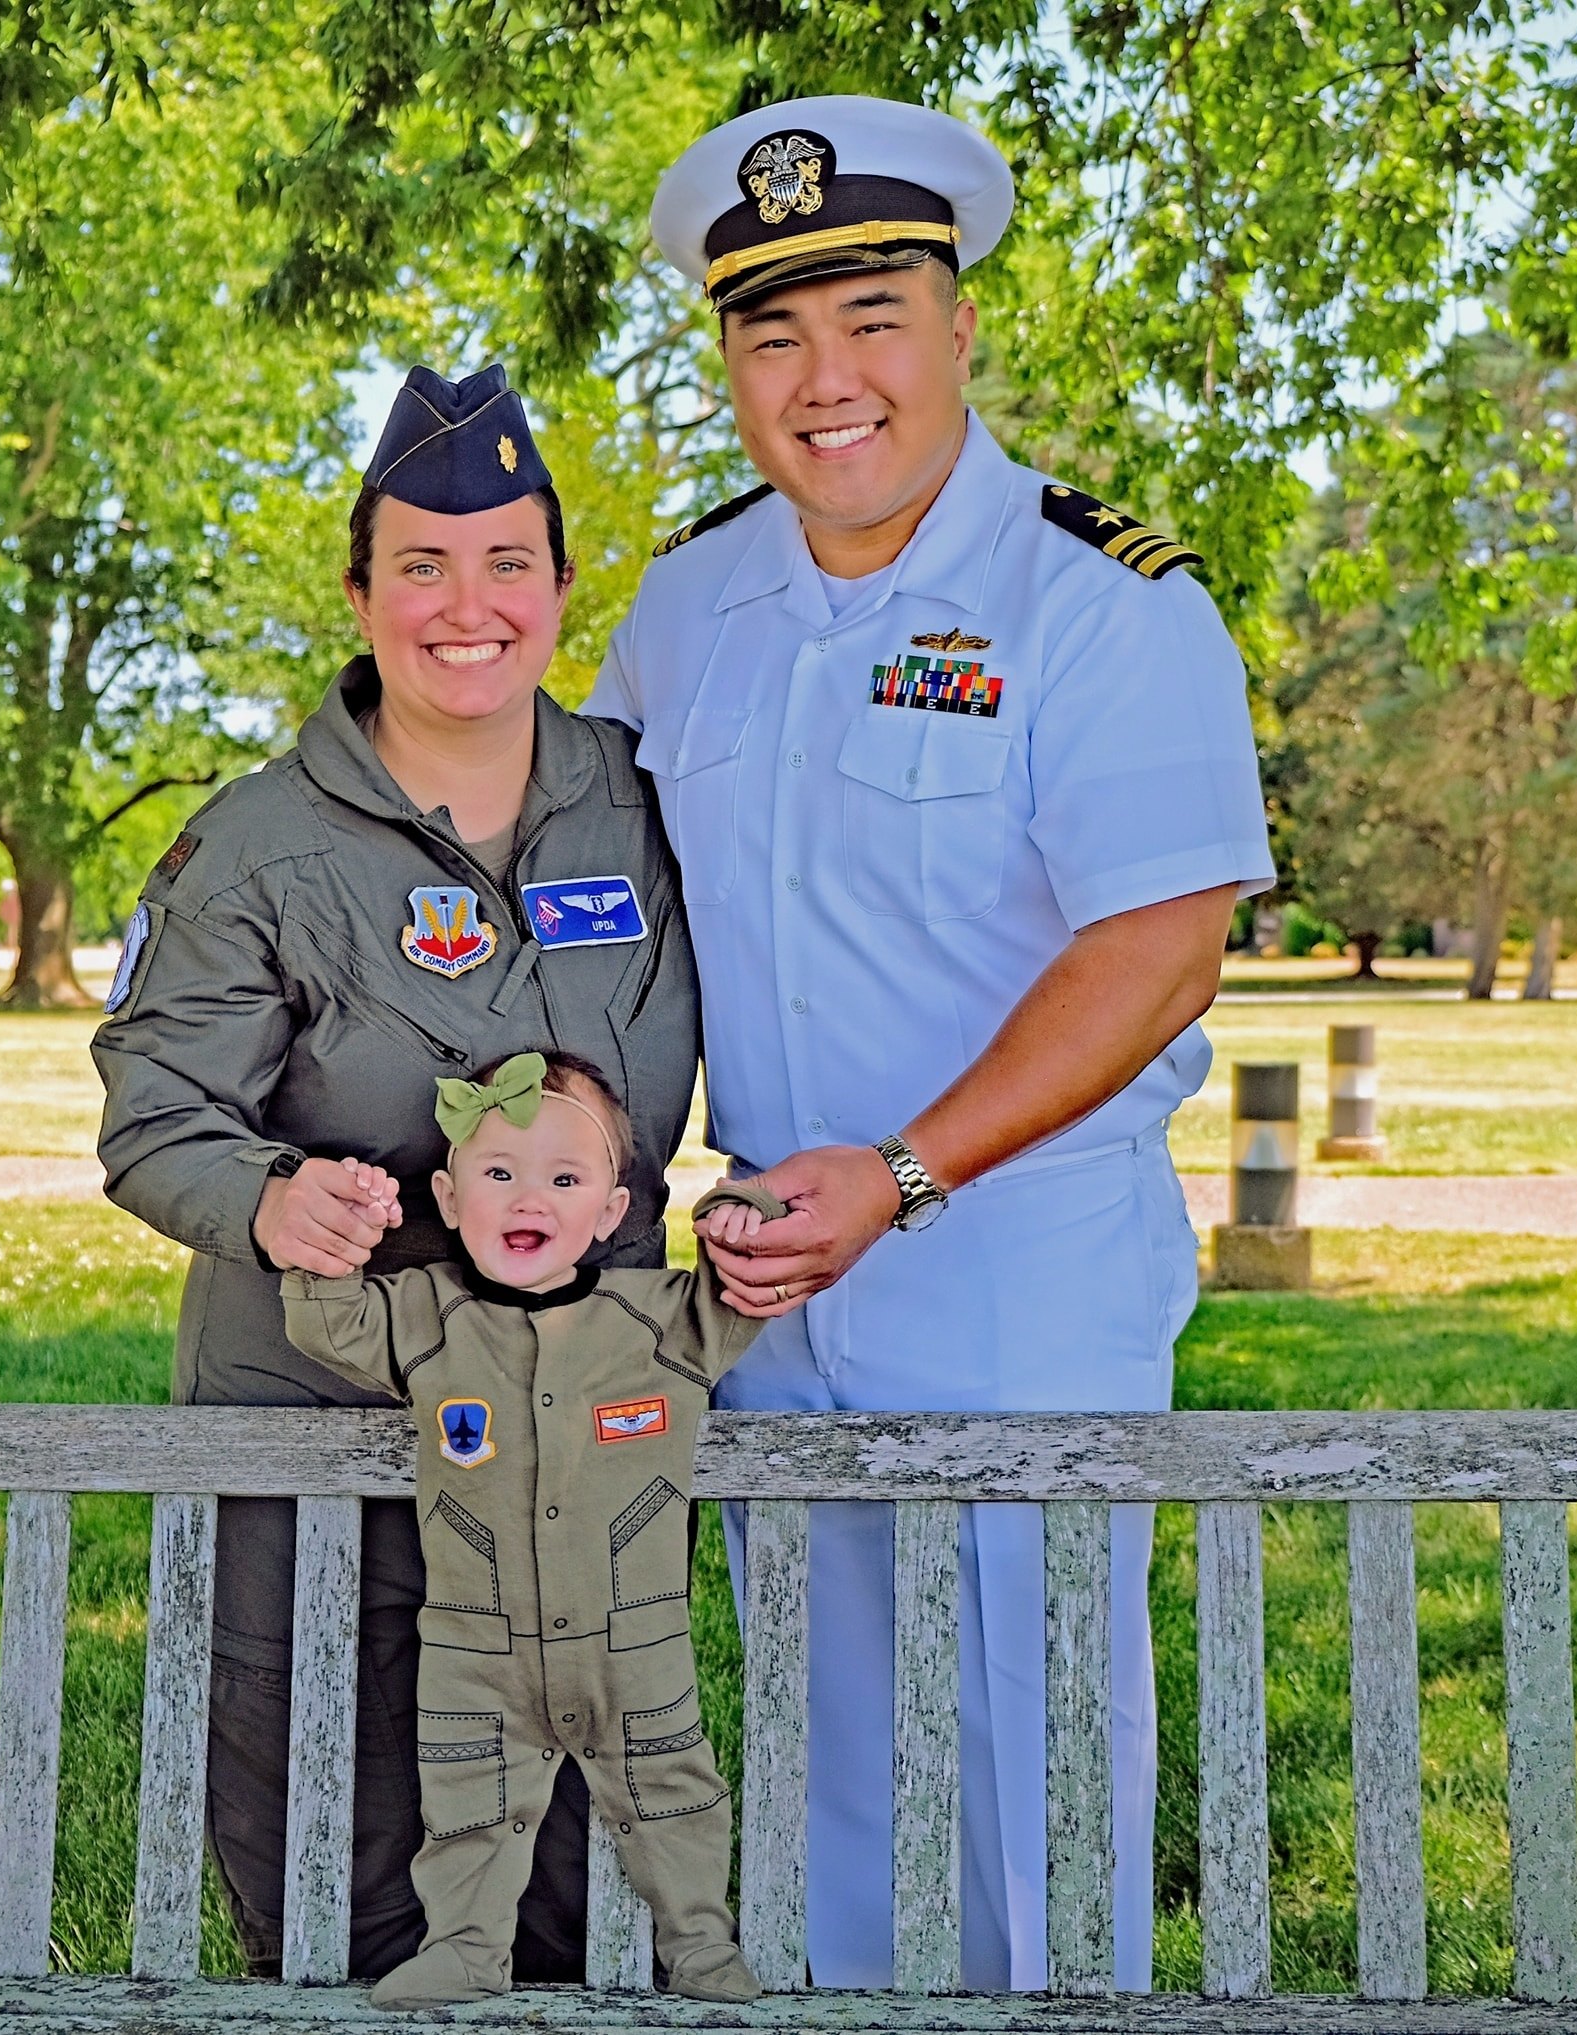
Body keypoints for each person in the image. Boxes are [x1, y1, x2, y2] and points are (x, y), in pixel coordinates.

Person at [583, 96, 1275, 1992]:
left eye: (872, 316)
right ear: (724, 356)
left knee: (1035, 1774)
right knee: (829, 1783)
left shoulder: (1100, 601)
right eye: (770, 332)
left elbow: (1158, 946)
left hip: (1015, 1278)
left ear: (961, 324)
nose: (827, 380)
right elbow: (581, 888)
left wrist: (900, 1174)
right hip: (770, 1281)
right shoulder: (684, 606)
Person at [93, 364, 702, 1982]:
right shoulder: (255, 844)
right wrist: (269, 1195)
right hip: (325, 1432)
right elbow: (154, 1118)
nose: (465, 605)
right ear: (358, 592)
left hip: (578, 1450)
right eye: (419, 566)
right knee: (328, 1869)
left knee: (585, 1872)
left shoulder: (647, 817)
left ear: (564, 590)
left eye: (508, 561)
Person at [278, 1050, 779, 2006]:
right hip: (477, 1638)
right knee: (466, 1802)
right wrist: (336, 1225)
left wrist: (738, 1221)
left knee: (671, 1789)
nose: (526, 1199)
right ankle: (467, 1948)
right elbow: (328, 1322)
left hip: (635, 1635)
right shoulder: (428, 1315)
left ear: (613, 1209)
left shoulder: (661, 1320)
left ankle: (703, 1946)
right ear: (449, 1195)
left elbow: (749, 1283)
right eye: (497, 1174)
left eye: (563, 1177)